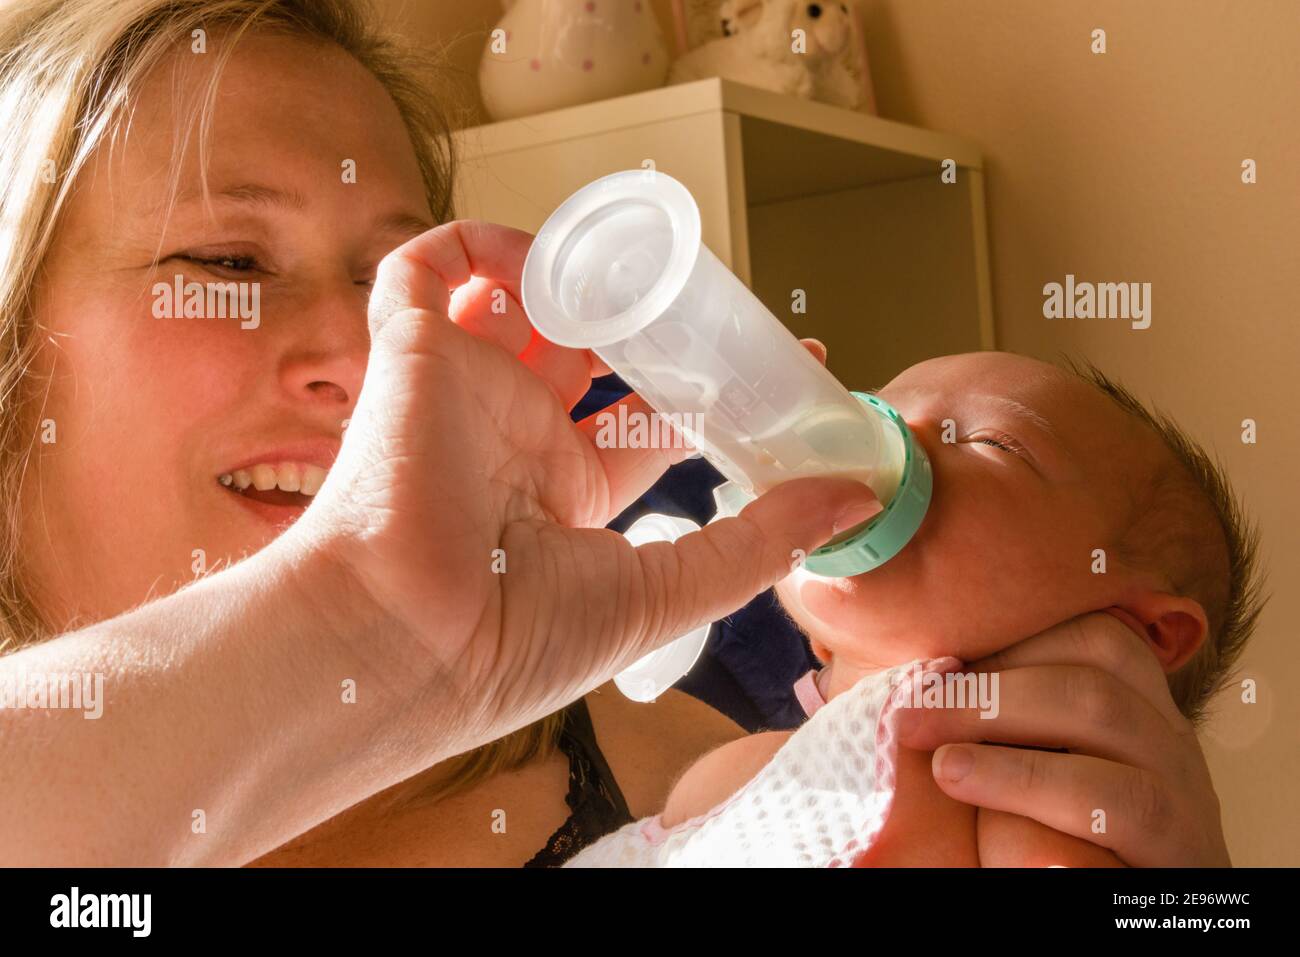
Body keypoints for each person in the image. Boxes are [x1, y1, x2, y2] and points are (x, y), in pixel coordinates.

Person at [0, 0, 1232, 868]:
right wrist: (355, 625)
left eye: (396, 275)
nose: (369, 350)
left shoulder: (708, 719)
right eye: (227, 262)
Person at [652, 352, 1265, 865]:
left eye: (994, 441)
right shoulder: (730, 779)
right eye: (872, 406)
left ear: (1145, 631)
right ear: (822, 646)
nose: (886, 435)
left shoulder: (1040, 821)